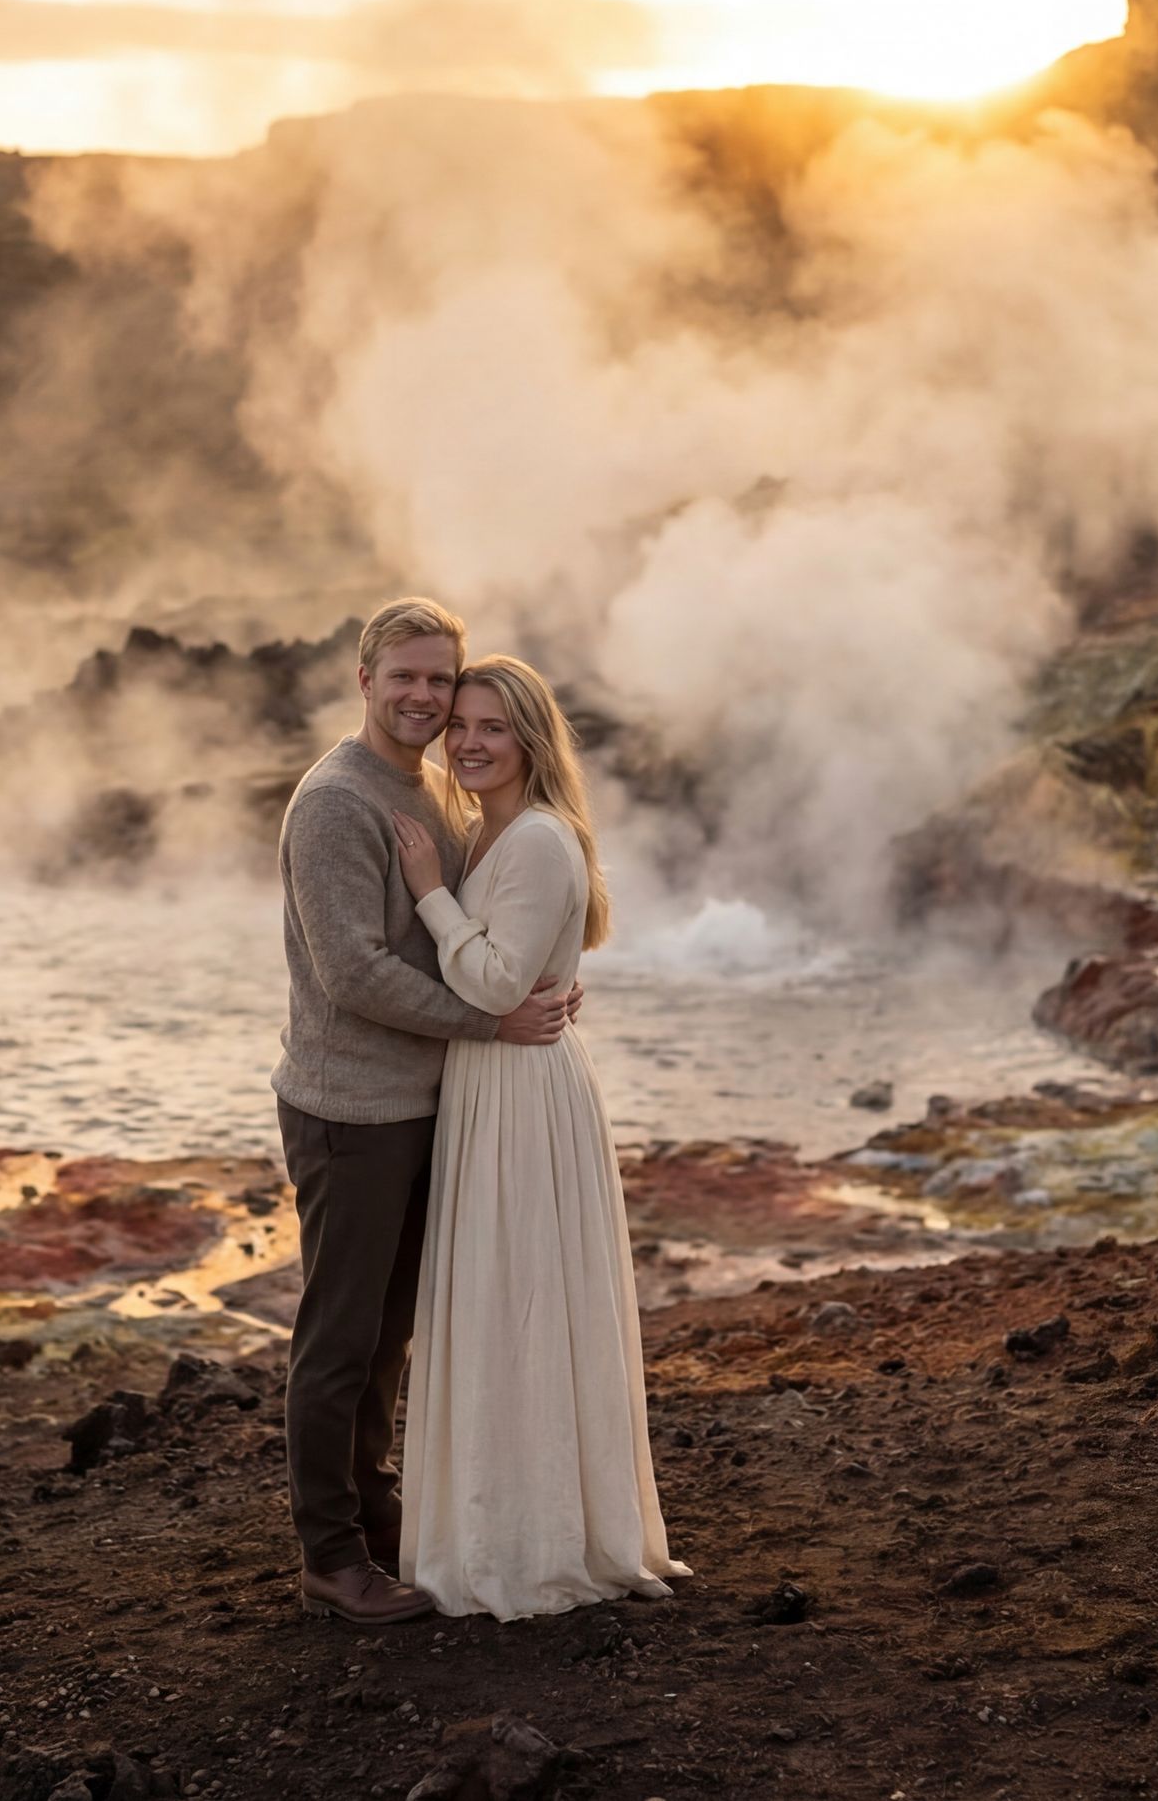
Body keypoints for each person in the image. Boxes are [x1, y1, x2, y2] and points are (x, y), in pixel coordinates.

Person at [273, 598, 582, 1625]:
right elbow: (354, 973)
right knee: (339, 1340)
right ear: (365, 679)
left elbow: (485, 932)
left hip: (425, 1105)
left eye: (438, 679)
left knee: (388, 1338)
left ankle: (376, 1515)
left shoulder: (438, 790)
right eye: (403, 675)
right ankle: (331, 1557)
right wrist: (494, 1022)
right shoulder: (335, 804)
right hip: (350, 1109)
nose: (423, 696)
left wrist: (538, 979)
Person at [390, 654, 689, 1620]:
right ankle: (502, 1524)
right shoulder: (490, 829)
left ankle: (538, 1543)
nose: (469, 742)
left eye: (493, 727)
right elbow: (517, 967)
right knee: (502, 1301)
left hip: (520, 1088)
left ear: (530, 737)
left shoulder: (536, 840)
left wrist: (429, 891)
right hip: (495, 1079)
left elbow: (493, 981)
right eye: (460, 726)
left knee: (521, 1299)